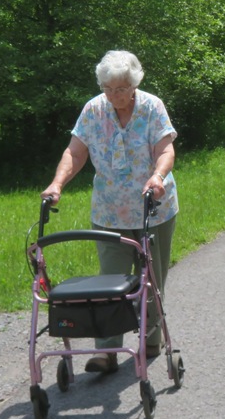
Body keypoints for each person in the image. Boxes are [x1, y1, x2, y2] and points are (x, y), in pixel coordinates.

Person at [41, 50, 178, 374]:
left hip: (153, 209)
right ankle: (107, 350)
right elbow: (75, 152)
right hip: (109, 212)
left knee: (151, 281)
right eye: (108, 88)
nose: (114, 95)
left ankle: (150, 339)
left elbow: (165, 149)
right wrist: (57, 184)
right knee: (111, 282)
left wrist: (157, 177)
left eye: (120, 88)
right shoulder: (93, 110)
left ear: (133, 85)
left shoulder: (151, 106)